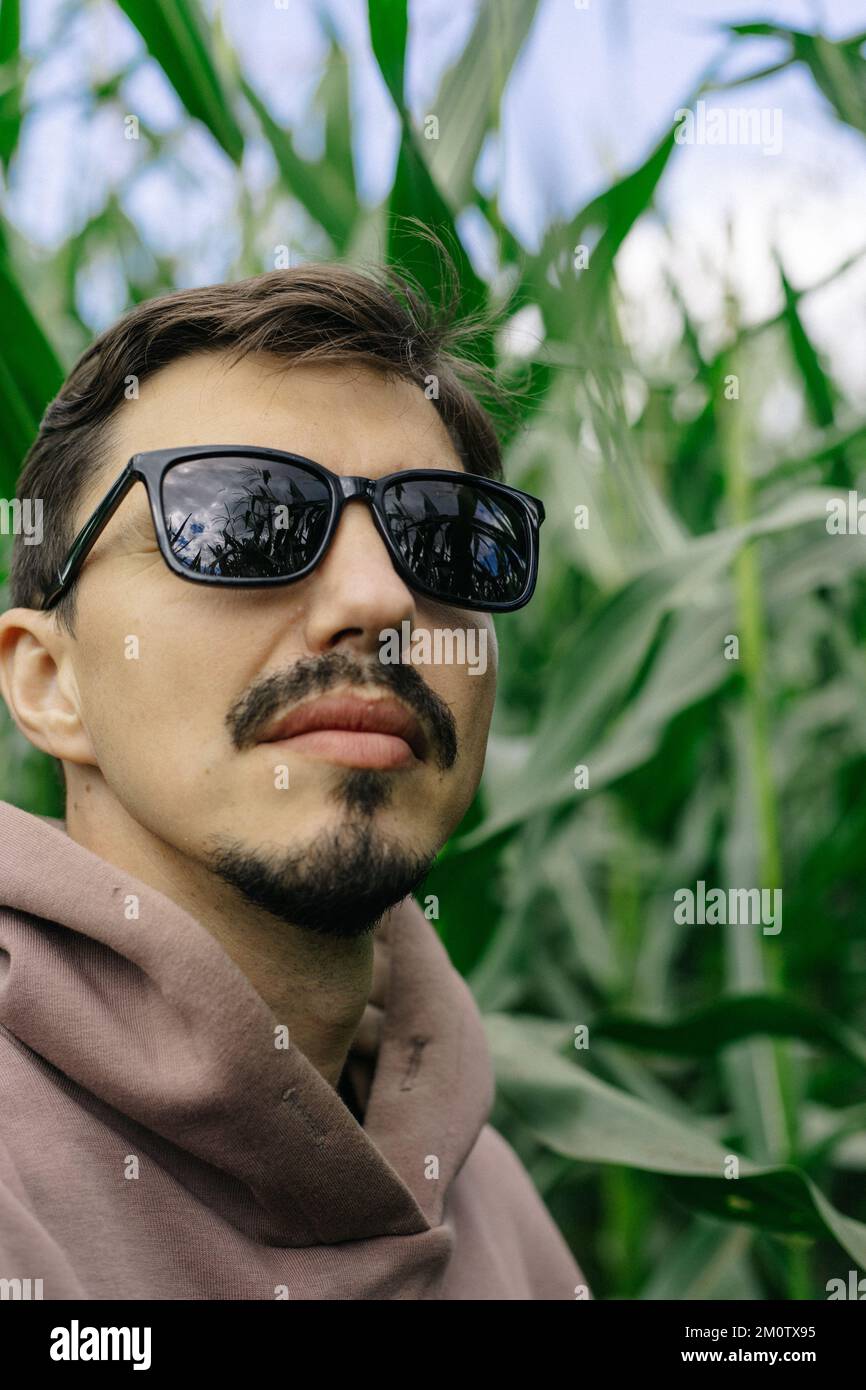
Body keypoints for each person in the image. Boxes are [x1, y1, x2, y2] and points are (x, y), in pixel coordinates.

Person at [0, 257, 589, 1300]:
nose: (379, 598)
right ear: (50, 682)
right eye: (243, 522)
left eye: (444, 540)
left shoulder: (490, 1197)